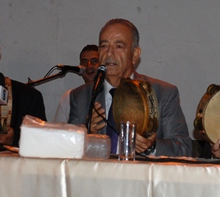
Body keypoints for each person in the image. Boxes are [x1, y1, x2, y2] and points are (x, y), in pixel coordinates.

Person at [68, 19, 191, 157]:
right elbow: (67, 151)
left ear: (135, 55)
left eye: (119, 46)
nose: (109, 53)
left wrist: (151, 147)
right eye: (104, 46)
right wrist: (87, 136)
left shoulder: (162, 93)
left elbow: (183, 149)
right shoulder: (81, 96)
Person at [53, 44, 99, 122]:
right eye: (84, 62)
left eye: (94, 61)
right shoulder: (68, 97)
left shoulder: (112, 93)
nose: (89, 66)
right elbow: (57, 128)